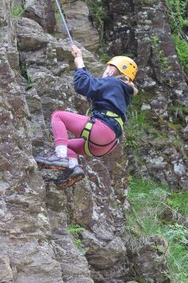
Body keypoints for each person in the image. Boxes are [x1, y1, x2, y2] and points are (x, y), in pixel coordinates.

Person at [35, 44, 138, 188]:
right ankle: (73, 168)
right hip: (107, 144)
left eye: (107, 68)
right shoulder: (121, 91)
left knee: (58, 116)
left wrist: (79, 65)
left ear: (112, 70)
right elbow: (94, 87)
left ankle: (60, 157)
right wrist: (80, 62)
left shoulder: (113, 82)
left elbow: (83, 85)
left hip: (102, 130)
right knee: (66, 144)